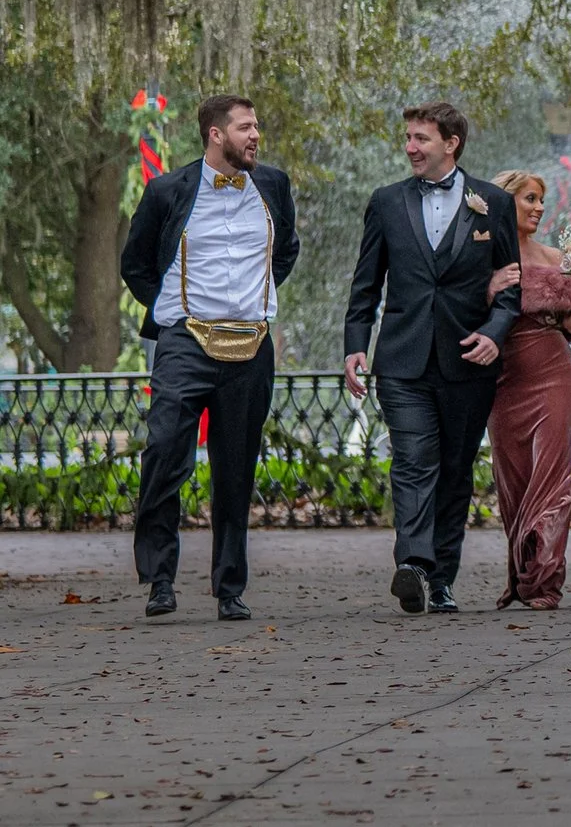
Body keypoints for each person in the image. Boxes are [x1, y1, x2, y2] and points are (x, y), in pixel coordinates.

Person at [122, 94, 301, 621]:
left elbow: (285, 250)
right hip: (184, 340)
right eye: (246, 127)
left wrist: (256, 296)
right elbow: (136, 265)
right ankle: (160, 577)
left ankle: (229, 588)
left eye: (257, 126)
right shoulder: (167, 190)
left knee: (235, 468)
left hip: (251, 345)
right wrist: (173, 308)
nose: (256, 136)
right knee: (164, 451)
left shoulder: (273, 186)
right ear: (216, 134)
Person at [344, 102, 522, 614]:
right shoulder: (386, 202)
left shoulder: (492, 202)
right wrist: (356, 344)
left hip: (469, 360)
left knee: (455, 469)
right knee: (414, 461)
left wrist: (494, 333)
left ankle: (442, 579)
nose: (410, 148)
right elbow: (365, 284)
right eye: (408, 138)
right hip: (402, 358)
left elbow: (512, 287)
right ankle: (414, 564)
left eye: (421, 138)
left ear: (452, 143)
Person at [485, 171, 571, 609]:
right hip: (502, 381)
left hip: (553, 373)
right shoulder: (481, 258)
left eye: (540, 200)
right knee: (513, 480)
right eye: (529, 199)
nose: (538, 207)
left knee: (552, 478)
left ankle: (546, 580)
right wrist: (488, 287)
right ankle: (521, 573)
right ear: (503, 202)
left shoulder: (554, 257)